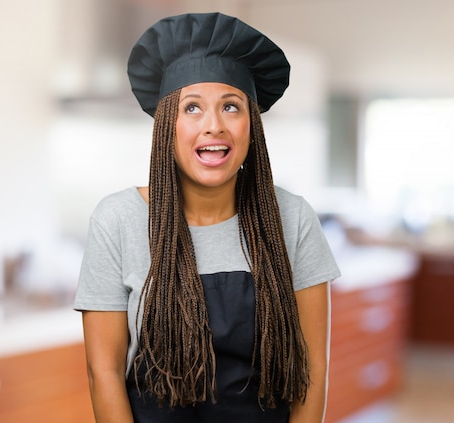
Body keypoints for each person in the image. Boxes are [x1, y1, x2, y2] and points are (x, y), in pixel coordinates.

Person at [73, 12, 340, 423]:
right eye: (192, 107)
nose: (213, 126)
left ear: (251, 124)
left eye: (230, 107)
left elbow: (314, 370)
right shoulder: (119, 220)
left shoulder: (293, 218)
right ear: (167, 127)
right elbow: (103, 373)